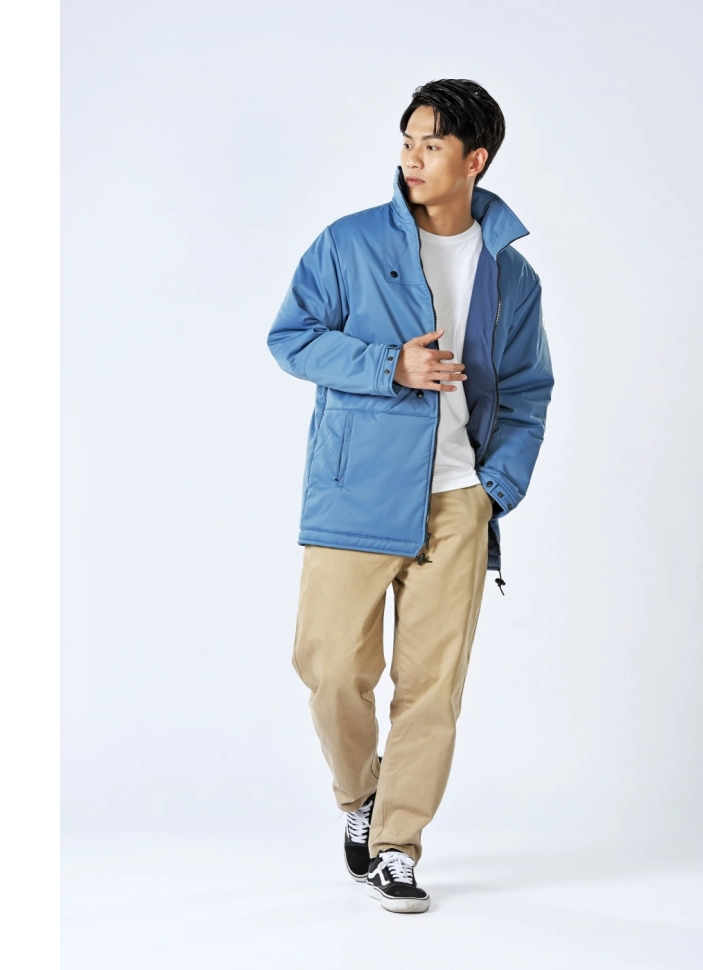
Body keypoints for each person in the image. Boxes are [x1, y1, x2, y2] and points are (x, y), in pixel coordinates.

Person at [267, 78, 555, 914]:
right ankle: (361, 797)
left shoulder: (510, 273)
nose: (412, 159)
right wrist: (389, 364)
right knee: (330, 669)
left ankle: (398, 845)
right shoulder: (349, 243)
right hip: (356, 490)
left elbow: (529, 390)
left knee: (432, 689)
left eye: (432, 144)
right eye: (407, 142)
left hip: (459, 499)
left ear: (476, 159)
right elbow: (291, 338)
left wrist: (495, 489)